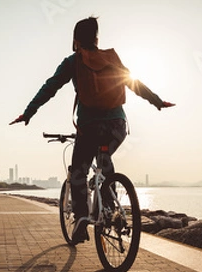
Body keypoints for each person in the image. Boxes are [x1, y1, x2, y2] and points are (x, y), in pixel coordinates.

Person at [10, 17, 174, 244]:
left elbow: (50, 87)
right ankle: (111, 209)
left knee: (79, 169)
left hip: (89, 128)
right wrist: (156, 101)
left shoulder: (73, 61)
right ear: (97, 38)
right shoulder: (111, 59)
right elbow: (133, 82)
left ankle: (82, 218)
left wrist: (28, 113)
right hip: (118, 126)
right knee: (104, 161)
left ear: (75, 40)